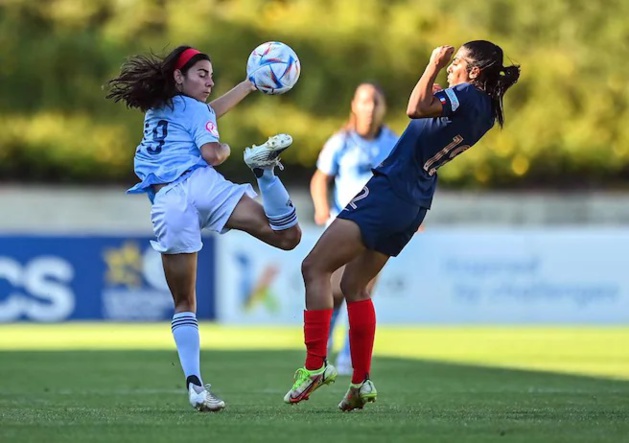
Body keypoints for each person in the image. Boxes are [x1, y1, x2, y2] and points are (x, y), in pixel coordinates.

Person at [284, 40, 520, 411]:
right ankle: (360, 382)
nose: (450, 68)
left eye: (456, 63)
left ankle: (314, 366)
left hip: (389, 191)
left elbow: (413, 109)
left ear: (474, 72)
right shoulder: (486, 108)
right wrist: (439, 97)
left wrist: (430, 65)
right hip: (415, 201)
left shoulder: (466, 93)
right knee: (355, 286)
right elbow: (434, 122)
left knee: (313, 267)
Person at [105, 45, 301, 412]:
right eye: (202, 74)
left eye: (211, 75)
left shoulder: (157, 108)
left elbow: (206, 112)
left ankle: (195, 385)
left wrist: (247, 85)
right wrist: (226, 149)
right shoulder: (193, 109)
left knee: (184, 303)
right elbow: (212, 153)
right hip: (201, 186)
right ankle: (265, 174)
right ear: (178, 77)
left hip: (169, 203)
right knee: (288, 236)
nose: (210, 81)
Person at [309, 83, 398, 375]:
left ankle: (348, 355)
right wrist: (321, 208)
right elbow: (320, 179)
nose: (370, 108)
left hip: (378, 225)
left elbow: (403, 182)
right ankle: (325, 350)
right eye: (364, 101)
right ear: (354, 105)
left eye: (375, 102)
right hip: (344, 225)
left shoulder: (392, 142)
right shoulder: (342, 141)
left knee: (361, 289)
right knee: (336, 290)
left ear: (383, 107)